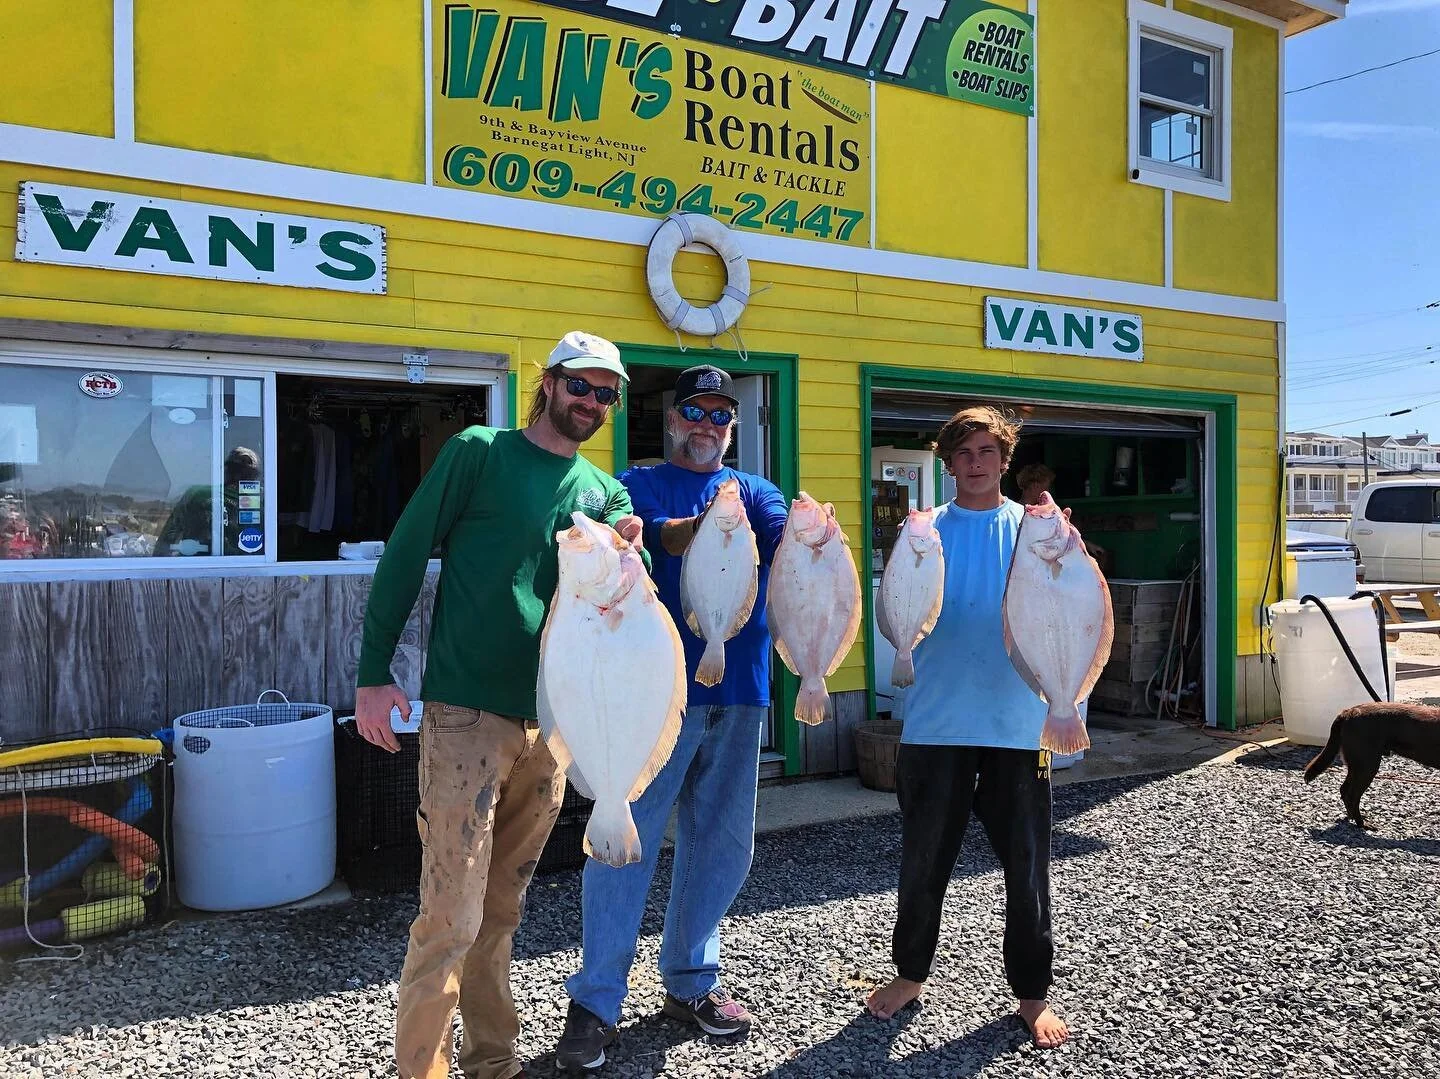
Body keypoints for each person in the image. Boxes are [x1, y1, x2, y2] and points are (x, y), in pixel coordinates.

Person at [353, 331, 645, 1079]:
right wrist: (373, 671)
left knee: (502, 909)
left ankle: (493, 1061)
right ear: (547, 383)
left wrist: (630, 548)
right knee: (450, 913)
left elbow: (621, 571)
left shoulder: (603, 492)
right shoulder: (477, 450)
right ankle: (421, 1068)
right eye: (580, 385)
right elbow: (407, 549)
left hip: (553, 725)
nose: (592, 402)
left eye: (606, 393)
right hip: (466, 715)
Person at [555, 364, 789, 1072]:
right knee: (623, 842)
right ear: (671, 417)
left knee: (722, 847)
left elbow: (787, 545)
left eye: (721, 416)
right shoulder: (639, 482)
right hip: (650, 699)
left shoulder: (759, 491)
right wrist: (701, 523)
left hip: (740, 691)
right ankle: (596, 1003)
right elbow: (649, 536)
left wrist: (809, 533)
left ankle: (692, 981)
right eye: (695, 411)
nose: (708, 426)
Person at [866, 405, 1072, 1050]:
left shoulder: (1037, 528)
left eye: (987, 451)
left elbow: (1072, 606)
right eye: (963, 453)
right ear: (947, 462)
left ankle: (1033, 992)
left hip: (1018, 723)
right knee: (924, 859)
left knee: (1028, 867)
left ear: (1005, 460)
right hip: (936, 721)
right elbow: (891, 608)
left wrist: (1074, 553)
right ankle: (909, 974)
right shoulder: (923, 528)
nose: (976, 463)